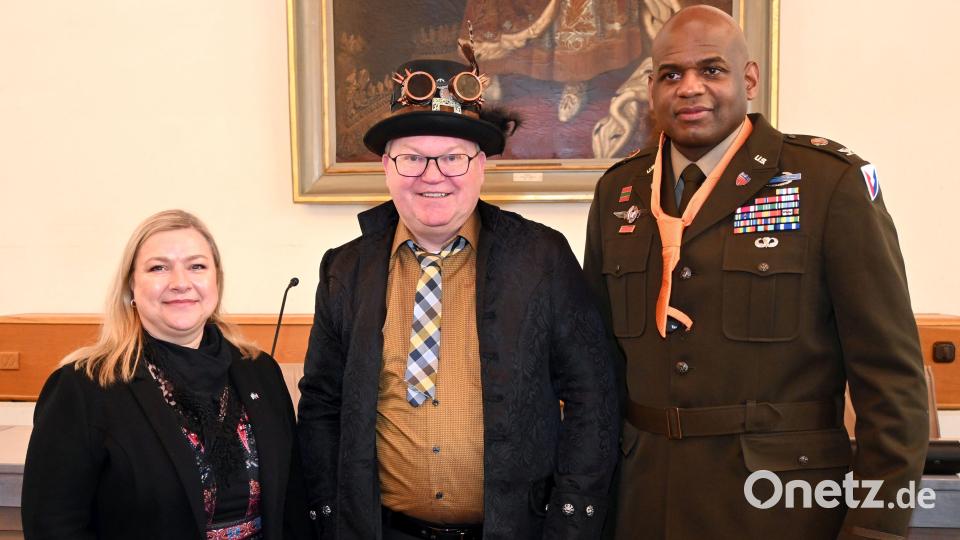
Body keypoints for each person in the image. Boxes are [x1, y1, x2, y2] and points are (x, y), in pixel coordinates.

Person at [583, 5, 928, 540]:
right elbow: (599, 373)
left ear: (749, 80)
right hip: (644, 504)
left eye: (711, 70)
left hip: (782, 510)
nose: (690, 88)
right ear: (651, 89)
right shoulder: (618, 194)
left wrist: (876, 529)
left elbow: (893, 385)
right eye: (671, 75)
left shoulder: (826, 186)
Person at [298, 50, 618, 540]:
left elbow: (591, 398)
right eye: (411, 157)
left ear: (481, 165)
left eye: (453, 157)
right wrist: (325, 515)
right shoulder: (344, 269)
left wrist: (571, 521)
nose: (432, 174)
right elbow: (322, 404)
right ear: (386, 165)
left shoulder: (542, 259)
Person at [21, 210, 311, 540]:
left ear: (216, 279)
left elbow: (293, 506)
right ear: (131, 285)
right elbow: (53, 526)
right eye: (158, 267)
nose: (180, 282)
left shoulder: (260, 372)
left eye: (197, 266)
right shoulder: (83, 388)